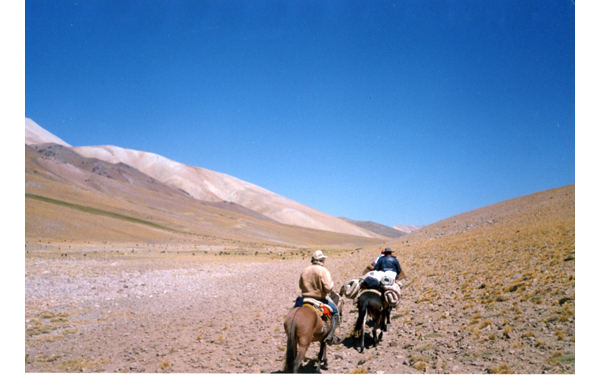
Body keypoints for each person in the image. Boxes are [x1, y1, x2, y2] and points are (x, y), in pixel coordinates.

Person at [298, 250, 340, 344]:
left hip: (305, 298)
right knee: (336, 312)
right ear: (321, 260)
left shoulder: (305, 270)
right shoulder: (323, 271)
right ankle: (330, 336)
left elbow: (300, 286)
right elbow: (328, 288)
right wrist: (332, 284)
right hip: (319, 299)